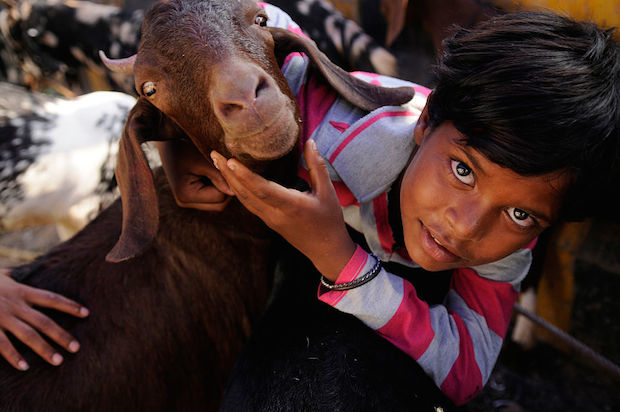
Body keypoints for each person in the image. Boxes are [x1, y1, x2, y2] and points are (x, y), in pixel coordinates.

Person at [157, 3, 620, 406]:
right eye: (463, 170)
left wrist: (342, 262)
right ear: (426, 122)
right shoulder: (324, 131)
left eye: (520, 214)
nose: (464, 228)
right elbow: (219, 15)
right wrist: (174, 135)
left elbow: (467, 371)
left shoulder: (514, 245)